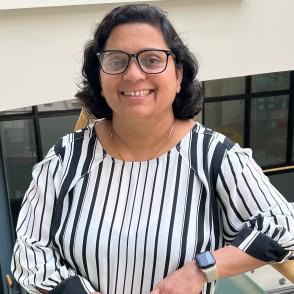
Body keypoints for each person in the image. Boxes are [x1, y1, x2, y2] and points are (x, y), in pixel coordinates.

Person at [11, 3, 294, 294]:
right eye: (116, 61)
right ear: (100, 75)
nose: (133, 75)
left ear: (178, 74)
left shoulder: (214, 157)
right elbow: (30, 254)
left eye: (152, 59)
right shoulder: (66, 158)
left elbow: (284, 227)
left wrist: (202, 268)